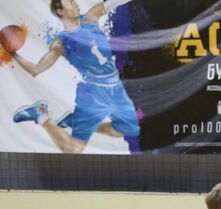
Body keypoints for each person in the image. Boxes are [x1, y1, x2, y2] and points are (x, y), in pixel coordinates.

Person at [11, 0, 140, 153]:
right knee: (74, 149)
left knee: (127, 129)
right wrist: (13, 54)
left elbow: (111, 3)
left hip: (116, 87)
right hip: (93, 92)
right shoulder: (61, 43)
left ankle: (73, 121)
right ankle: (40, 115)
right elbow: (35, 70)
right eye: (71, 3)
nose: (76, 4)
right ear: (60, 11)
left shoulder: (90, 18)